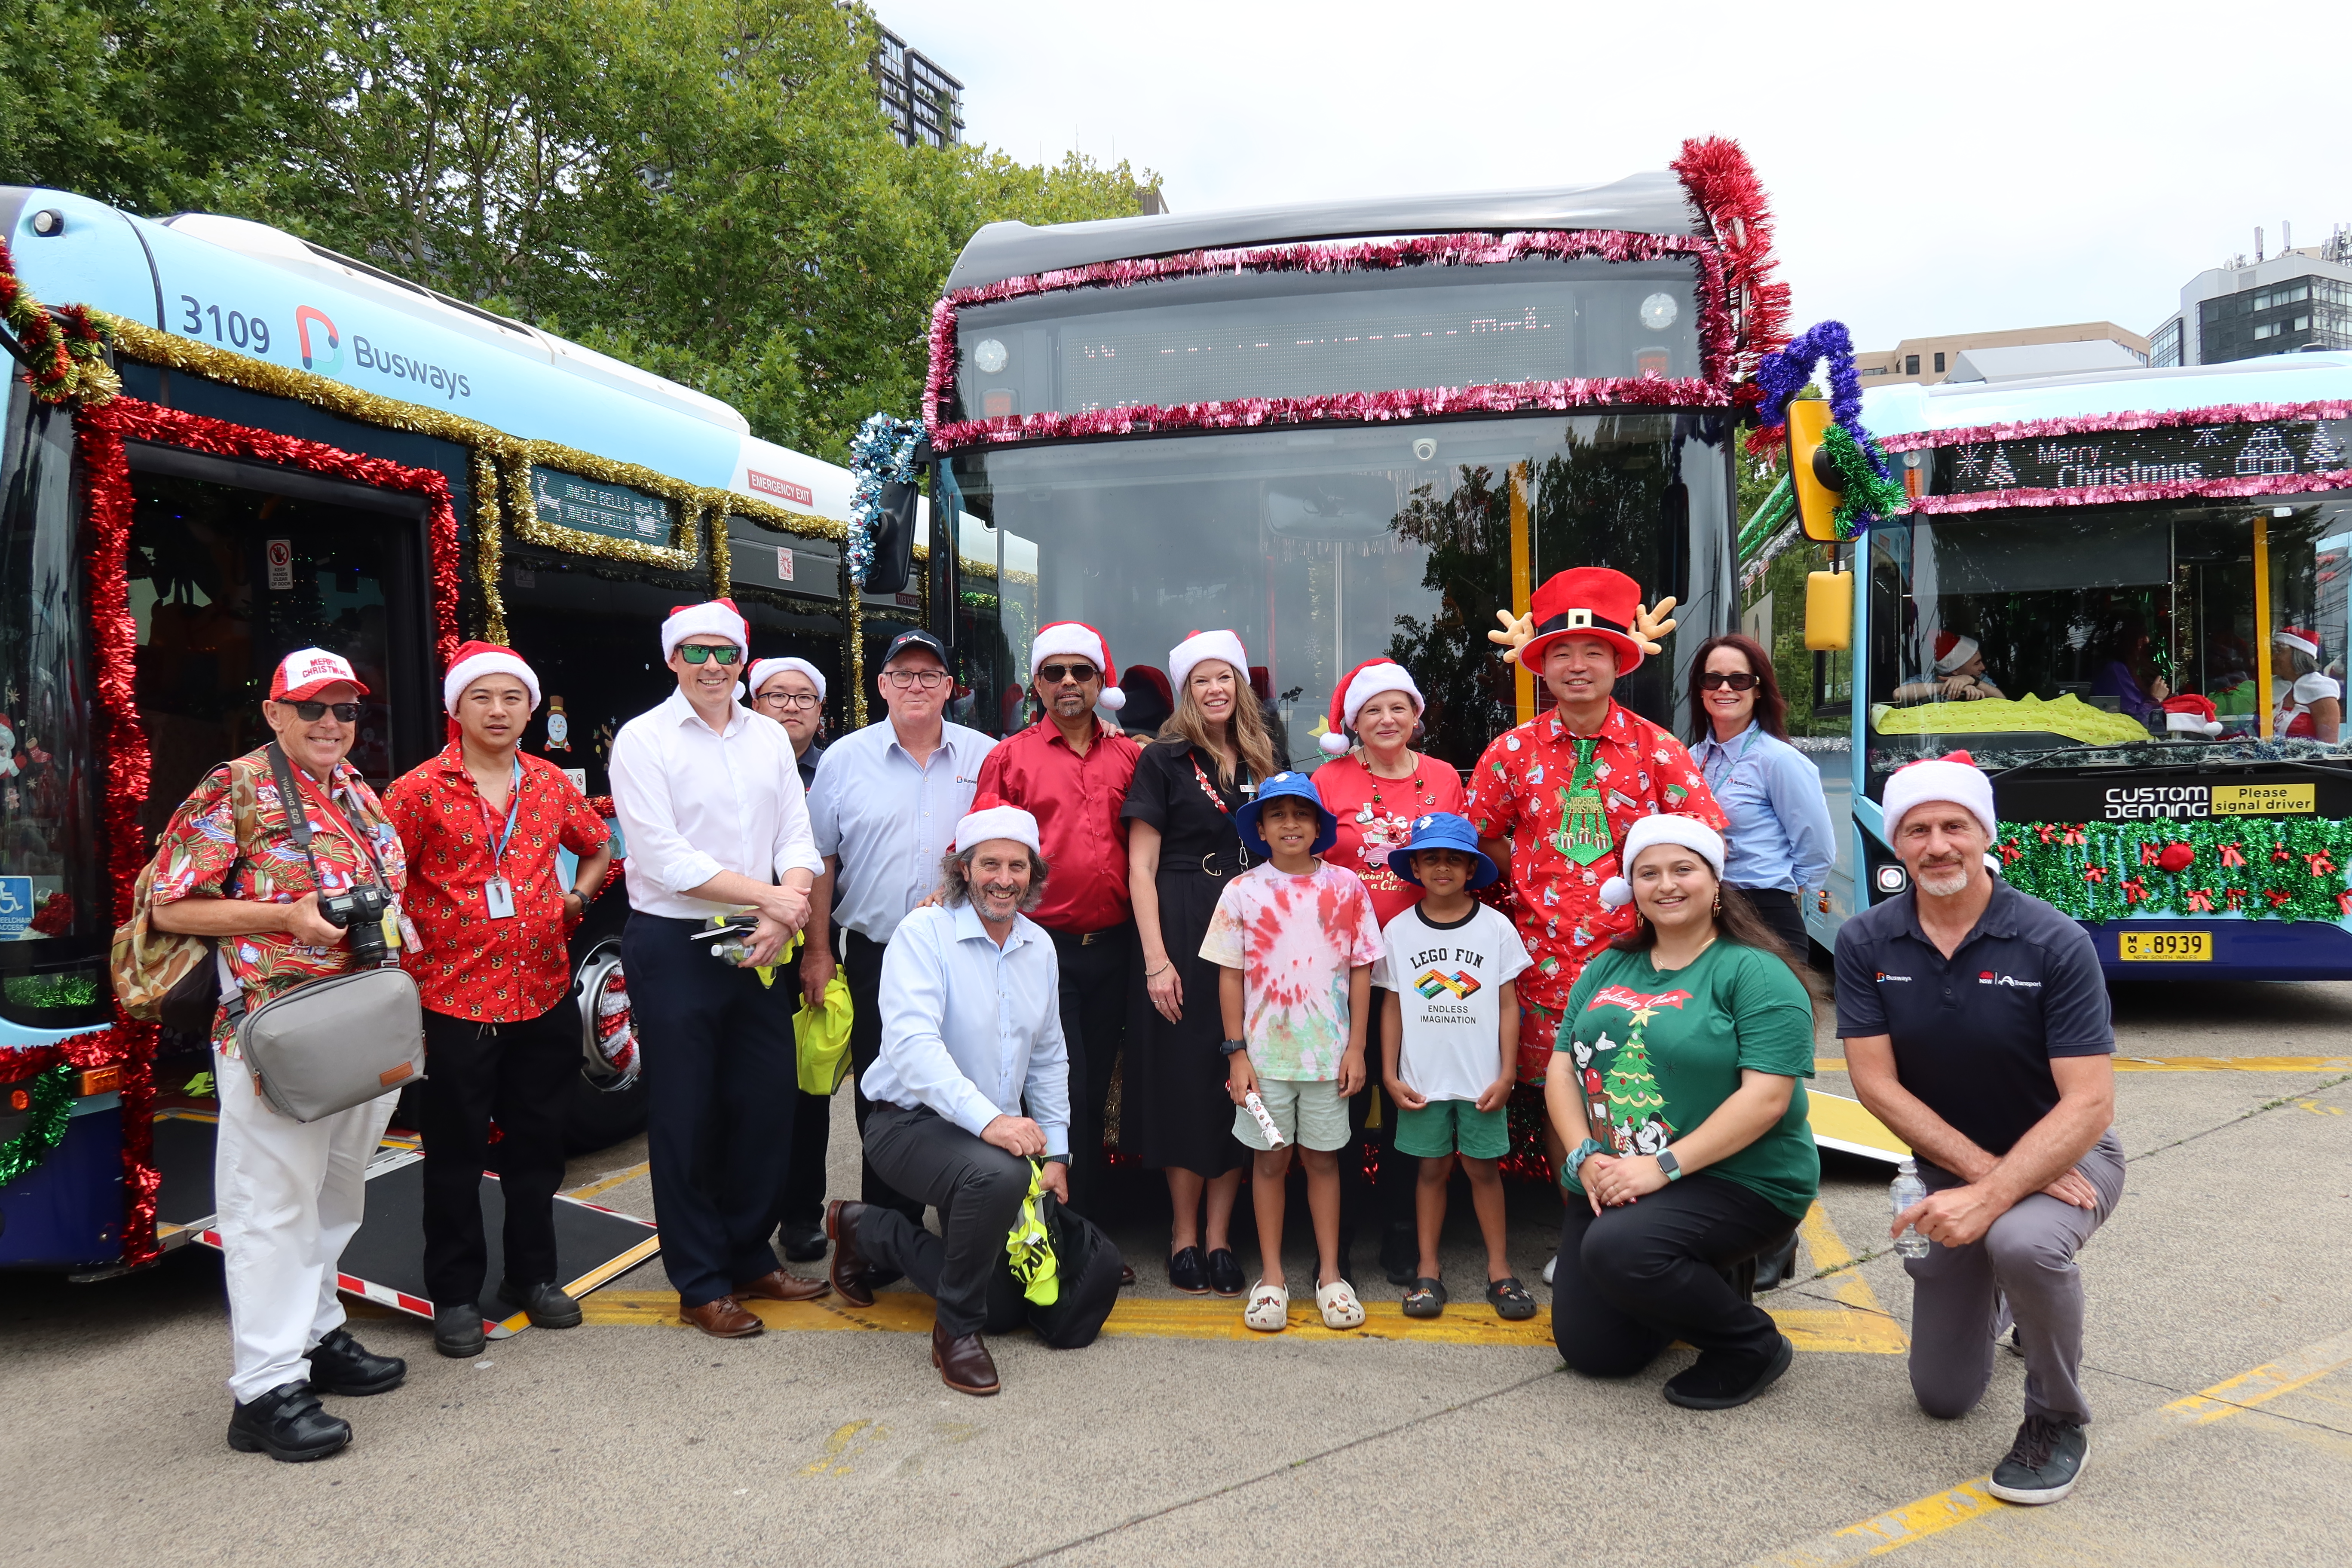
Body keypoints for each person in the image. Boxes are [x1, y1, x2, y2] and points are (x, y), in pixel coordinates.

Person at [147, 647, 413, 1461]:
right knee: (270, 1206)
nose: (331, 723)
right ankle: (264, 1390)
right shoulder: (233, 787)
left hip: (359, 1021)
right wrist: (285, 916)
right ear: (274, 713)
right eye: (312, 708)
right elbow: (171, 906)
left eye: (345, 709)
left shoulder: (354, 788)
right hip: (280, 1031)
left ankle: (319, 1335)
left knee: (336, 1193)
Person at [1838, 751, 2123, 1506]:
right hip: (1949, 1162)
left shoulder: (2052, 941)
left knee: (2023, 1242)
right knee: (1943, 1394)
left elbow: (2090, 1104)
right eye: (1917, 829)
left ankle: (2057, 1419)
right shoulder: (1866, 941)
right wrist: (1984, 1178)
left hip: (2069, 1155)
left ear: (1985, 834)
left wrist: (1997, 1194)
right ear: (1895, 843)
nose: (1937, 846)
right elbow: (1875, 1084)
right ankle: (2013, 1300)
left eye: (1955, 826)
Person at [383, 642, 614, 1358]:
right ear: (456, 707)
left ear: (531, 709)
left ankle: (532, 1276)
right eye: (481, 696)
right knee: (454, 1155)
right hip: (455, 1002)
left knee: (538, 1148)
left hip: (542, 992)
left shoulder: (548, 782)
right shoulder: (418, 791)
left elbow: (598, 844)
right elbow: (383, 878)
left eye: (512, 698)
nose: (498, 710)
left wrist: (577, 899)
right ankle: (454, 1294)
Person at [608, 600, 828, 1338]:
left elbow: (796, 835)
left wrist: (782, 908)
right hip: (675, 944)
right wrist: (772, 899)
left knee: (765, 1105)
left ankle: (747, 1253)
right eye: (696, 652)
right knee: (687, 1115)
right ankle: (699, 1280)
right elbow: (662, 857)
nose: (712, 666)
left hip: (758, 937)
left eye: (725, 652)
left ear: (742, 660)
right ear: (672, 658)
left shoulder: (766, 736)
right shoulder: (644, 739)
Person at [1546, 815, 1819, 1410]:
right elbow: (1563, 1068)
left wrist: (1661, 1167)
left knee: (1620, 1252)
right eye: (1648, 874)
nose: (1666, 885)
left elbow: (1768, 1099)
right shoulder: (1608, 965)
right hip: (1616, 1175)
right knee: (1596, 1353)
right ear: (1633, 888)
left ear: (1715, 881)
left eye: (1683, 870)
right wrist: (1583, 1155)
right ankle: (1698, 1276)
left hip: (1736, 1177)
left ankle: (1750, 1344)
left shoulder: (1755, 971)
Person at [1469, 567, 1727, 1187]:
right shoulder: (1511, 753)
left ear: (1618, 663)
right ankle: (1580, 1219)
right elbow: (1480, 836)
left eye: (1593, 652)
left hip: (1641, 962)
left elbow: (1704, 843)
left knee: (1642, 1087)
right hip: (1541, 963)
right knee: (1561, 1098)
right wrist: (1529, 876)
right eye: (1562, 653)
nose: (1577, 666)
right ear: (1541, 666)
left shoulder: (1658, 750)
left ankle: (1642, 1212)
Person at [825, 796, 1074, 1396]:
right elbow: (913, 1048)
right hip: (906, 1125)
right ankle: (955, 1333)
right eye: (990, 864)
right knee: (999, 1176)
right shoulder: (922, 934)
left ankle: (864, 1228)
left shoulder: (1039, 947)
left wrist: (1058, 1153)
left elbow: (1048, 1056)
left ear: (1034, 875)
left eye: (1017, 867)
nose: (1003, 880)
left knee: (1008, 1308)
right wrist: (993, 1123)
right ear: (963, 868)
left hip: (985, 1138)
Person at [803, 629, 997, 1228]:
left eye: (930, 675)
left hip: (968, 949)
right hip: (877, 955)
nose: (917, 686)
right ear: (882, 685)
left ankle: (968, 1219)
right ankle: (889, 1231)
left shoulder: (987, 756)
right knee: (886, 1091)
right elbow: (821, 860)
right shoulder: (842, 760)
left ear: (950, 688)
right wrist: (817, 951)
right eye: (904, 675)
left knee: (970, 1081)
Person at [1121, 630, 1275, 1296]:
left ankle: (1220, 1236)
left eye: (1225, 677)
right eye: (1202, 680)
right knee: (1184, 1080)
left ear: (1240, 685)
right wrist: (1157, 961)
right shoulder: (1163, 759)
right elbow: (1141, 866)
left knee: (1236, 1077)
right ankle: (1184, 1235)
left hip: (1251, 927)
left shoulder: (1262, 758)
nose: (1215, 690)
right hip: (1182, 923)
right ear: (1187, 691)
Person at [1203, 772, 1385, 1332]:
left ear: (1319, 826)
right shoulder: (1242, 891)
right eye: (1277, 815)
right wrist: (1237, 1054)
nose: (1290, 824)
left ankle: (1330, 1275)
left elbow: (1362, 969)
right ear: (1260, 828)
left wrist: (1357, 1047)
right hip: (1264, 1062)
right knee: (1270, 1162)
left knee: (1324, 1162)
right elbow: (1230, 975)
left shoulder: (1347, 888)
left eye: (1302, 814)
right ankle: (1273, 1278)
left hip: (1329, 1059)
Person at [976, 622, 1142, 1222]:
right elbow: (982, 851)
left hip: (1116, 948)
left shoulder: (1130, 756)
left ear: (1101, 682)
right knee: (1059, 1087)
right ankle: (1060, 1226)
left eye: (1081, 671)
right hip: (1043, 949)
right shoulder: (1009, 758)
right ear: (1038, 684)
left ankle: (1081, 1219)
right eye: (1055, 672)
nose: (1068, 681)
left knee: (1095, 1088)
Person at [1311, 657, 1467, 1283]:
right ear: (1354, 722)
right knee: (1345, 1101)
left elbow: (1461, 861)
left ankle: (1403, 1230)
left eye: (1398, 707)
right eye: (1372, 710)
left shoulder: (1443, 778)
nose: (1386, 719)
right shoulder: (1328, 778)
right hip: (1342, 967)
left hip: (1423, 966)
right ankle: (1340, 1235)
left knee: (1411, 1101)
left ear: (1416, 715)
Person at [1372, 813, 1534, 1321]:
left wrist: (1507, 1074)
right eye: (1431, 858)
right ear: (1416, 868)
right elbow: (1392, 1006)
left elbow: (1508, 1005)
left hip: (1481, 1081)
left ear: (1471, 869)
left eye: (1454, 859)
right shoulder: (1399, 931)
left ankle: (1500, 1270)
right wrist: (1390, 1074)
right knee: (1431, 1171)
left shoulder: (1496, 928)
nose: (1442, 868)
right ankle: (1428, 1269)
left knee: (1484, 1171)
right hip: (1423, 1081)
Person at [749, 655, 839, 1263]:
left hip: (813, 944)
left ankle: (803, 1213)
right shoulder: (734, 764)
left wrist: (818, 948)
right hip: (741, 941)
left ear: (820, 711)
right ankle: (746, 1218)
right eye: (777, 696)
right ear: (753, 703)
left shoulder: (833, 770)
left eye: (805, 697)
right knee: (750, 1089)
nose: (791, 707)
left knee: (811, 1081)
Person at [1687, 633, 1835, 960]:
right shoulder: (1689, 760)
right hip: (1700, 913)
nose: (1725, 689)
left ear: (1758, 690)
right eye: (1713, 679)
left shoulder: (1779, 760)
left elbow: (1818, 847)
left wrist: (1782, 891)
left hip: (1764, 913)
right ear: (1701, 690)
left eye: (1739, 680)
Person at [1891, 631, 2005, 704]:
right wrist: (1946, 687)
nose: (1983, 667)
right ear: (1955, 670)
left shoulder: (1981, 679)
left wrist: (1973, 681)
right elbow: (1898, 694)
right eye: (1977, 664)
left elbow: (2004, 702)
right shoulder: (1927, 680)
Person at [2271, 626, 2342, 741]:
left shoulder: (2321, 691)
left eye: (2280, 651)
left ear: (2298, 656)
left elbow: (2328, 746)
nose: (2273, 657)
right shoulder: (2269, 686)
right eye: (2273, 652)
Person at [2088, 624, 2168, 725]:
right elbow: (2138, 720)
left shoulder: (2125, 669)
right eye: (2141, 636)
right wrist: (2157, 699)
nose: (2147, 640)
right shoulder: (2114, 669)